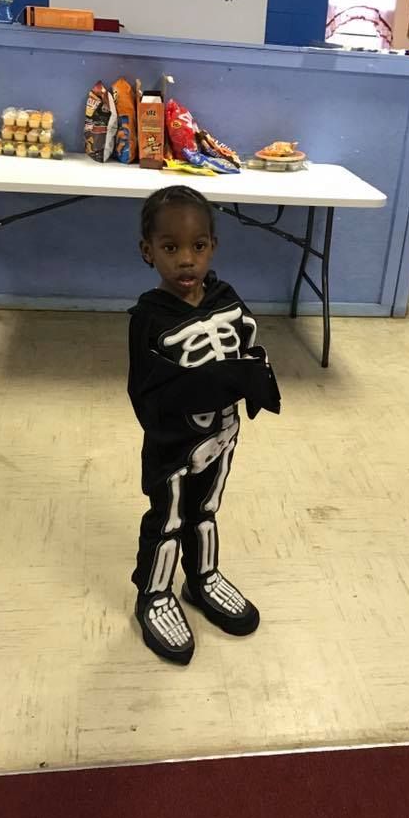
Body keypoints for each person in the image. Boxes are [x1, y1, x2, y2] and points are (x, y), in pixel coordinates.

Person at [127, 185, 281, 665]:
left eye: (197, 246)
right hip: (175, 446)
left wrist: (251, 383)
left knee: (206, 511)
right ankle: (153, 593)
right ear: (148, 251)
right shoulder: (149, 319)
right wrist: (217, 380)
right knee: (168, 518)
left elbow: (251, 351)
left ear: (213, 246)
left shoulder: (226, 299)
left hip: (222, 435)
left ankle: (202, 577)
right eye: (170, 248)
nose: (186, 261)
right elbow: (148, 392)